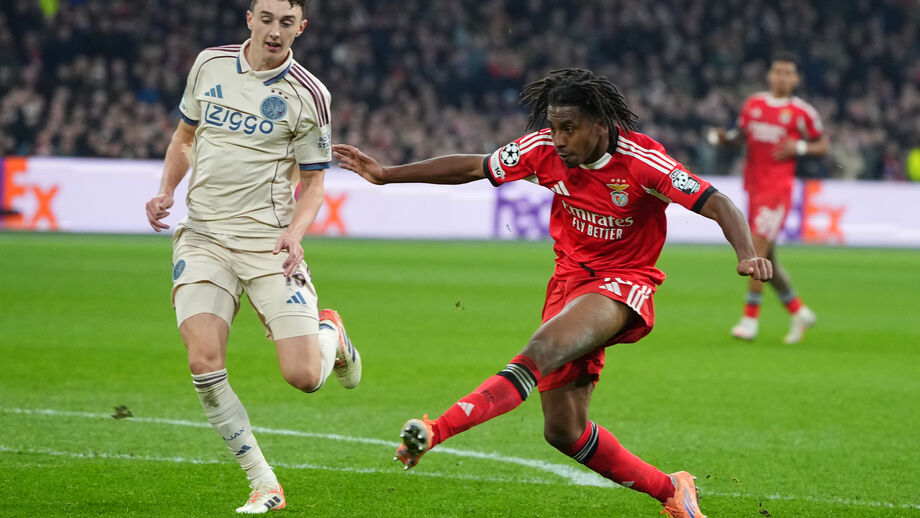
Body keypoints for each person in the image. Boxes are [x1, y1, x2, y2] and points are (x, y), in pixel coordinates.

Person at [334, 68, 772, 518]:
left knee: (540, 350)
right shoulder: (542, 151)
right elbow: (474, 165)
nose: (558, 139)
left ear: (600, 125)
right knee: (563, 430)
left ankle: (434, 430)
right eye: (553, 126)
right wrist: (387, 174)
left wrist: (747, 254)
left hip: (624, 283)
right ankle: (672, 491)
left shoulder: (644, 162)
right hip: (568, 283)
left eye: (569, 128)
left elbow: (716, 201)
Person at [144, 0, 362, 513]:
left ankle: (331, 333)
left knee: (305, 377)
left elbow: (313, 184)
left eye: (286, 22)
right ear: (249, 19)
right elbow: (184, 138)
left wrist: (295, 232)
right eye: (265, 18)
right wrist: (165, 190)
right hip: (203, 236)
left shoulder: (310, 95)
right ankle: (264, 482)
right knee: (203, 362)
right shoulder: (209, 64)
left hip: (267, 241)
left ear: (301, 28)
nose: (274, 30)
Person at [709, 52, 829, 344]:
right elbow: (743, 133)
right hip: (753, 187)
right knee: (768, 256)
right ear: (770, 75)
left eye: (788, 73)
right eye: (777, 72)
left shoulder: (802, 112)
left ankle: (749, 320)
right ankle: (798, 311)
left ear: (796, 79)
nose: (782, 77)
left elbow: (823, 145)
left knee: (755, 250)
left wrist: (799, 147)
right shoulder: (754, 104)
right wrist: (727, 138)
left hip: (778, 191)